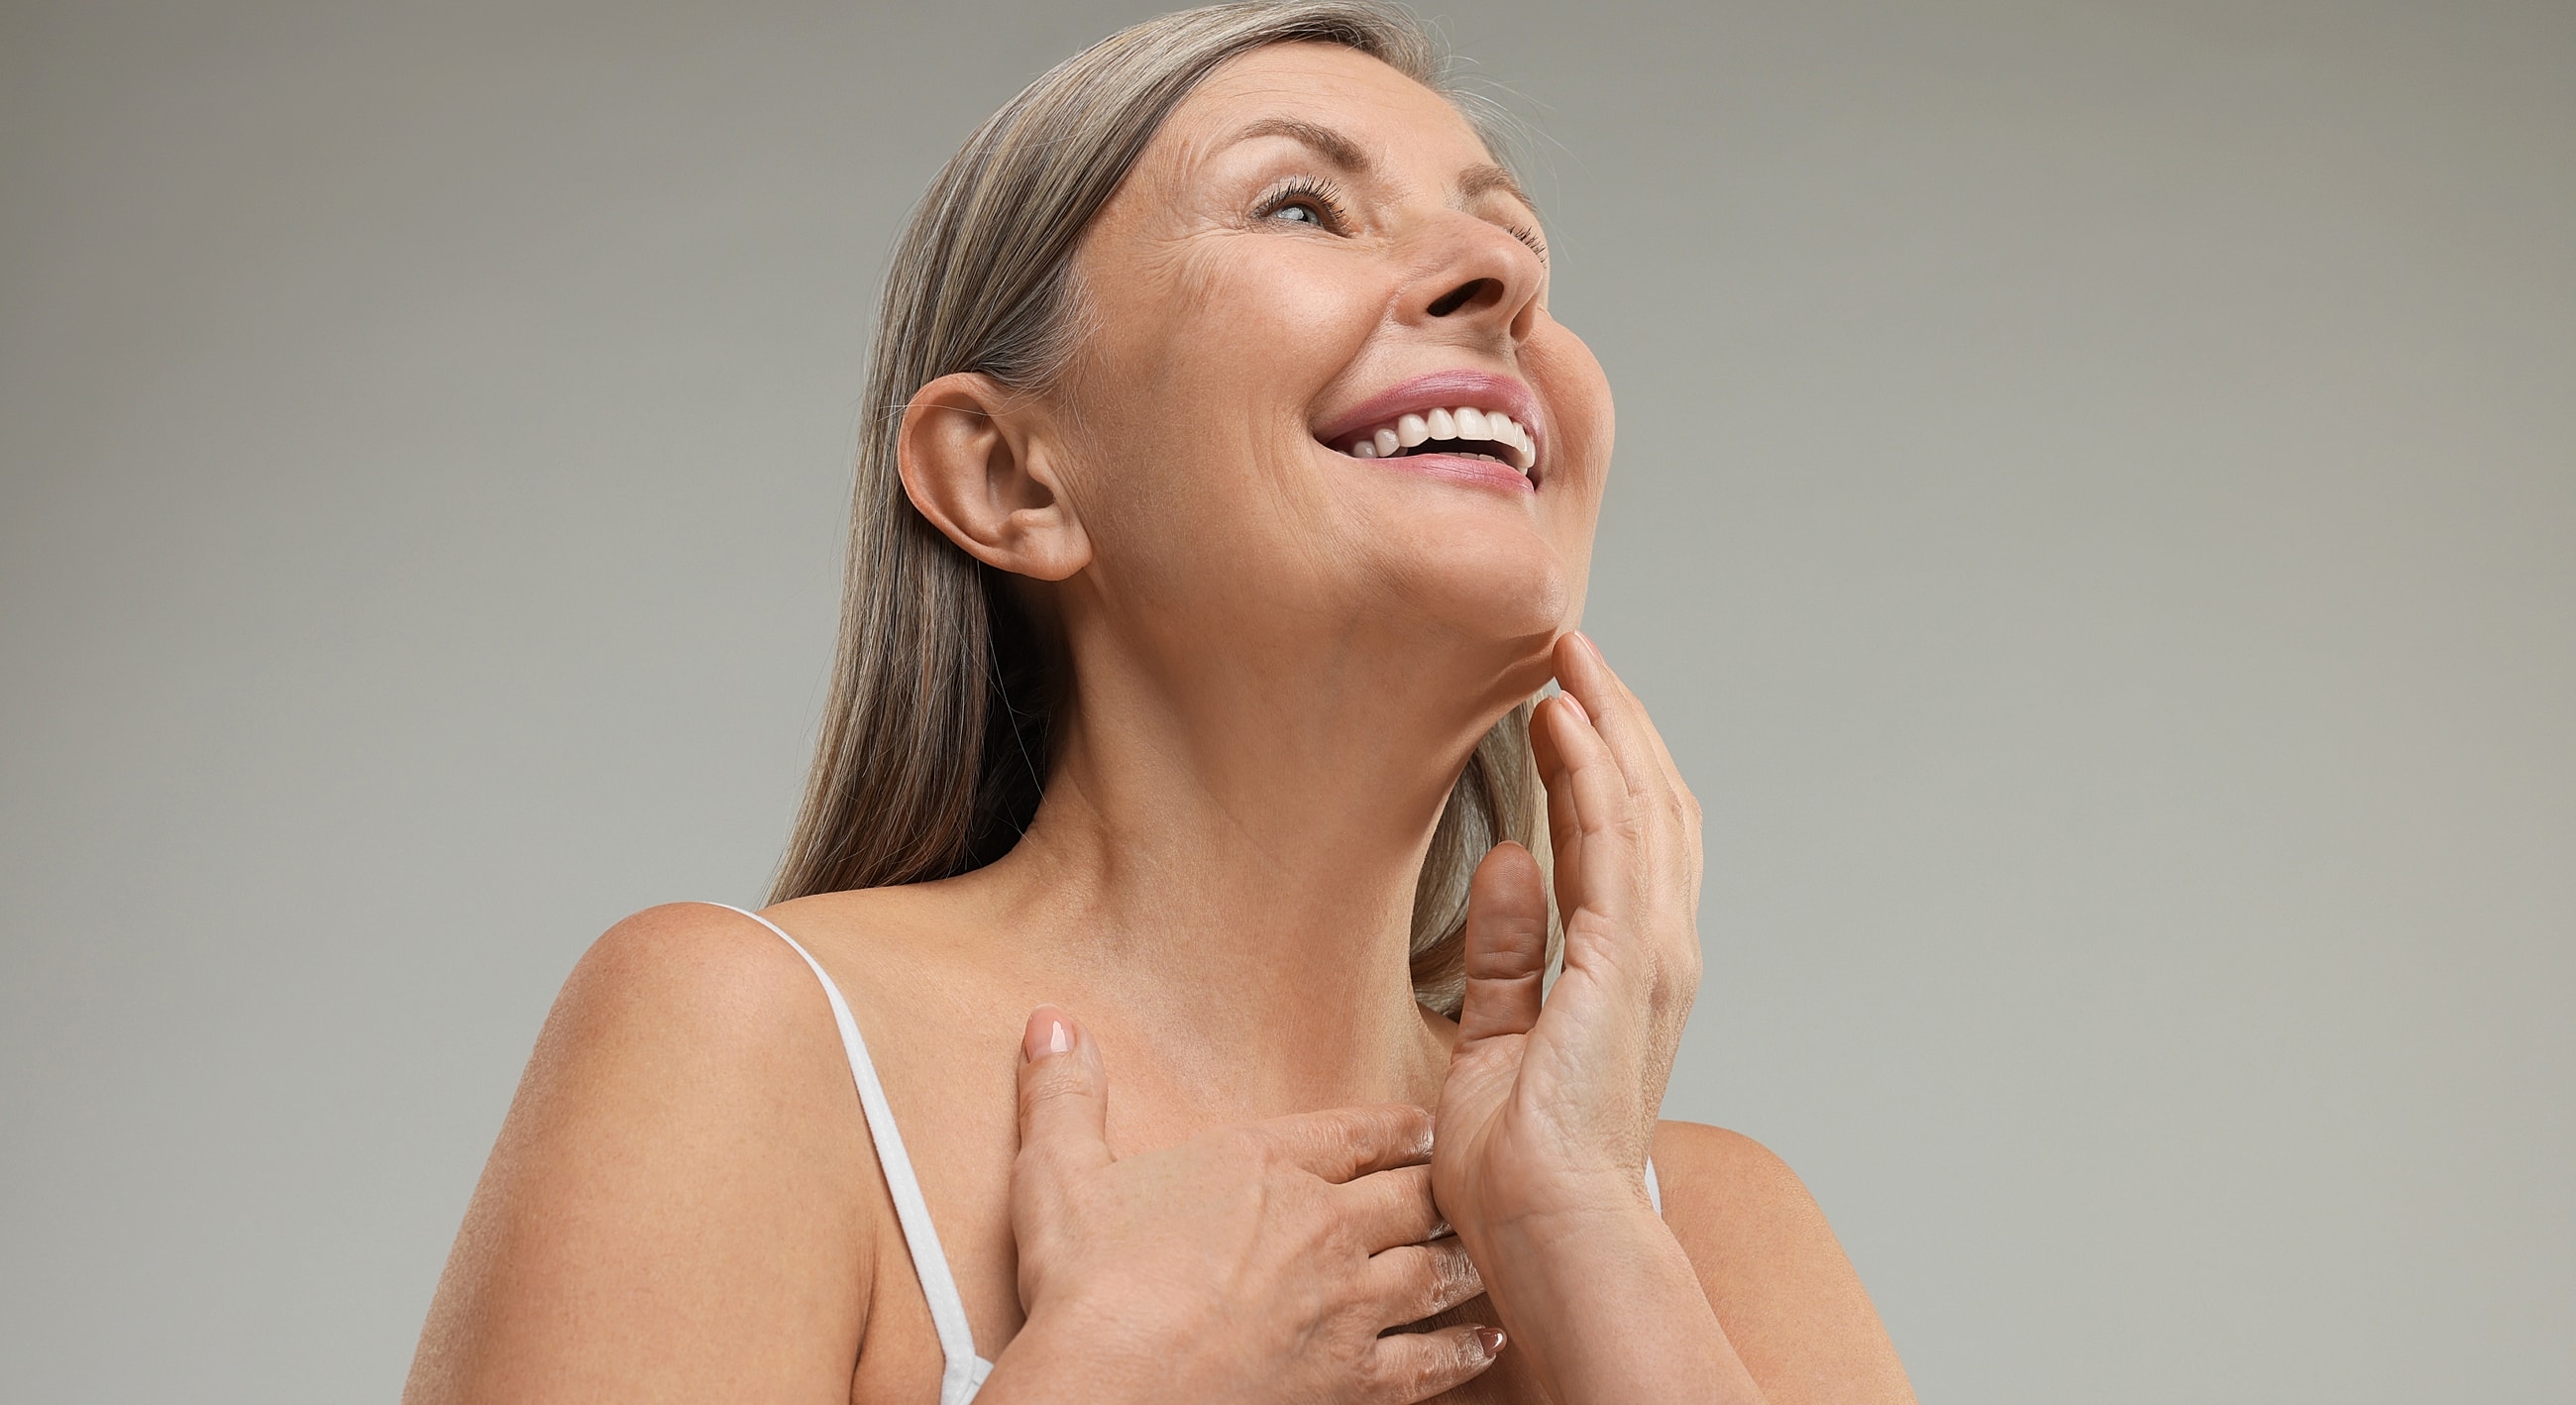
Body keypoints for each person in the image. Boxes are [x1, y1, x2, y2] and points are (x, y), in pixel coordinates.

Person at [404, 4, 1915, 1401]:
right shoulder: (747, 1047)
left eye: (1511, 237)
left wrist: (1588, 1238)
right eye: (1299, 205)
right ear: (1011, 478)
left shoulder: (1716, 1232)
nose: (1503, 279)